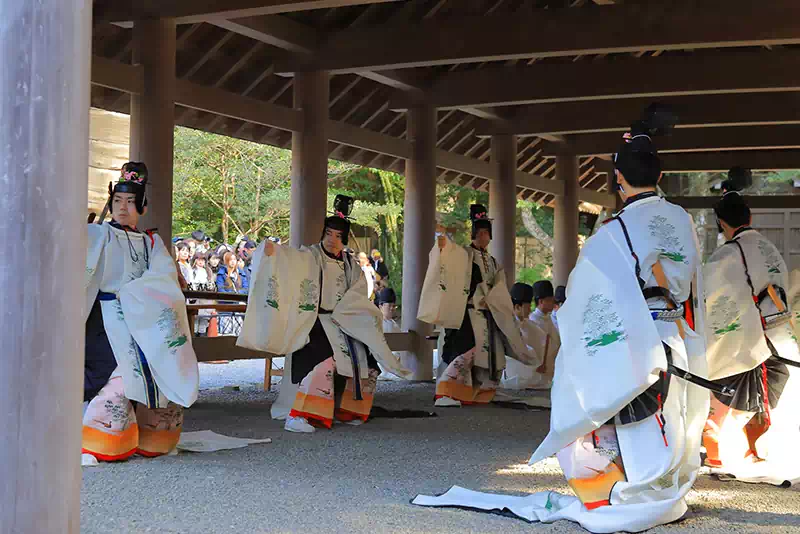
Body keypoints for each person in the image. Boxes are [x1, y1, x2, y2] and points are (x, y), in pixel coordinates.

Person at [238, 195, 409, 433]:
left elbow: (358, 294)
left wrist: (353, 316)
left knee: (367, 363)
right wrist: (273, 252)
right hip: (315, 321)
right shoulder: (310, 256)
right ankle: (299, 416)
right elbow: (290, 259)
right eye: (328, 233)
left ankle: (347, 410)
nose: (332, 239)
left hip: (344, 323)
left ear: (345, 239)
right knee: (324, 361)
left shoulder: (350, 264)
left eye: (338, 236)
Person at [83, 162, 199, 462]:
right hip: (106, 316)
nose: (123, 207)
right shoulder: (97, 234)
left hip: (144, 316)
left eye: (130, 201)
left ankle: (153, 437)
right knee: (117, 373)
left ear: (142, 207)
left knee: (161, 364)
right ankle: (98, 441)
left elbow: (164, 277)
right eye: (117, 200)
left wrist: (141, 295)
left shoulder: (151, 242)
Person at [702, 191, 800, 486]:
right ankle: (754, 450)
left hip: (746, 338)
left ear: (721, 222)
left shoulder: (727, 254)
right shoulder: (769, 248)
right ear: (750, 217)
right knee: (769, 399)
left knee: (725, 395)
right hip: (779, 334)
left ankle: (721, 453)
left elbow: (712, 294)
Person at [418, 204, 534, 407]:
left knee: (491, 354)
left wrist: (494, 300)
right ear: (473, 234)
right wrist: (443, 243)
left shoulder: (493, 262)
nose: (483, 236)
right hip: (468, 312)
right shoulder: (464, 254)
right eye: (479, 232)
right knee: (466, 350)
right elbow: (449, 260)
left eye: (486, 233)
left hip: (489, 313)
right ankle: (448, 390)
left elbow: (500, 286)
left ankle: (481, 392)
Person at [502, 282, 555, 390]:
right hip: (515, 377)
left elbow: (544, 342)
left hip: (532, 376)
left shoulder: (530, 326)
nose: (530, 310)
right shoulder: (507, 326)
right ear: (518, 307)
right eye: (528, 306)